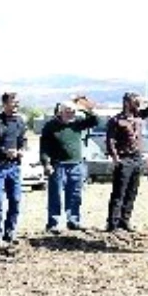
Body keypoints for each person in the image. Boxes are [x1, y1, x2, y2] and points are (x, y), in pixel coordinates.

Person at [39, 96, 101, 232]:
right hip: (58, 165)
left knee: (75, 194)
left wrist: (85, 108)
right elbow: (44, 147)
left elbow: (95, 121)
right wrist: (46, 163)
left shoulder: (77, 123)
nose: (71, 114)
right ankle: (53, 223)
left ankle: (73, 220)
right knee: (56, 195)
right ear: (60, 112)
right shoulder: (51, 126)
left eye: (73, 111)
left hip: (77, 165)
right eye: (68, 111)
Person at [105, 92, 148, 233]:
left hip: (137, 158)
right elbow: (110, 141)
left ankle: (125, 220)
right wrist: (116, 158)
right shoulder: (116, 120)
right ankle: (113, 223)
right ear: (127, 102)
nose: (137, 104)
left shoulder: (138, 117)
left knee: (132, 192)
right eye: (135, 101)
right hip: (124, 158)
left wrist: (146, 99)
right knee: (119, 192)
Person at [0, 92, 28, 244]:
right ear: (5, 103)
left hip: (14, 167)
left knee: (15, 200)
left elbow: (23, 141)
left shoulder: (20, 121)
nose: (16, 105)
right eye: (13, 102)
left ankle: (10, 232)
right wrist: (4, 151)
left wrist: (21, 150)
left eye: (18, 102)